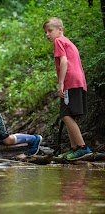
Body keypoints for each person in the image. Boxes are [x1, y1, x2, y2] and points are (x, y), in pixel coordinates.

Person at [43, 17, 92, 160]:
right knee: (69, 116)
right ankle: (75, 148)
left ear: (60, 30)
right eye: (45, 32)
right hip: (78, 81)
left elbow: (64, 61)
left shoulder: (59, 41)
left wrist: (61, 83)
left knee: (65, 115)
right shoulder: (68, 41)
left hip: (71, 82)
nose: (47, 34)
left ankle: (82, 148)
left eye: (50, 31)